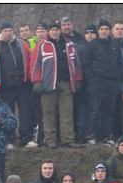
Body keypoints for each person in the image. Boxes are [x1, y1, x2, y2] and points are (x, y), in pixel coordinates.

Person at [33, 20, 83, 150]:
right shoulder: (42, 45)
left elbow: (76, 63)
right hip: (48, 84)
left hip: (66, 83)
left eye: (57, 30)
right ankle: (50, 139)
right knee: (48, 112)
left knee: (67, 112)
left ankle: (68, 139)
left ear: (60, 30)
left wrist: (77, 79)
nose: (55, 32)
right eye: (52, 30)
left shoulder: (69, 44)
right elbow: (36, 64)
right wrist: (37, 81)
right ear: (48, 32)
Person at [0, 22, 33, 148]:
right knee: (7, 113)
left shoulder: (21, 44)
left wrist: (30, 78)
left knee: (25, 112)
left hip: (22, 83)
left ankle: (26, 138)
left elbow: (30, 60)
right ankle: (9, 139)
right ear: (1, 32)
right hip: (5, 86)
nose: (8, 33)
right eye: (5, 31)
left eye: (10, 31)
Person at [86, 19, 123, 144]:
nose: (104, 31)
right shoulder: (91, 45)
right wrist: (91, 81)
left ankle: (107, 137)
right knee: (94, 111)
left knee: (109, 112)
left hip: (112, 83)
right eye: (101, 29)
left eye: (106, 29)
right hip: (97, 82)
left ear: (110, 31)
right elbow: (86, 64)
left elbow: (120, 64)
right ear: (98, 31)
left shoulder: (115, 45)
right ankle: (91, 136)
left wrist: (118, 81)